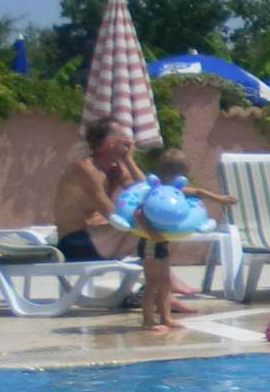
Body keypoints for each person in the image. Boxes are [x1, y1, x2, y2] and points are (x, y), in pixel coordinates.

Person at [132, 150, 233, 332]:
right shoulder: (154, 192)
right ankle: (148, 321)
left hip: (162, 242)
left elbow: (197, 192)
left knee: (165, 282)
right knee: (152, 283)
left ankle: (166, 318)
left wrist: (219, 199)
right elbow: (138, 213)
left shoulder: (174, 191)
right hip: (149, 243)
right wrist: (151, 233)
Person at [53, 119, 140, 264]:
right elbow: (110, 214)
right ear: (110, 143)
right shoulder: (85, 169)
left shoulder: (115, 169)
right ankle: (157, 272)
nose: (129, 141)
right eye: (124, 136)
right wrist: (140, 218)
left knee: (148, 217)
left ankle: (158, 273)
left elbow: (146, 191)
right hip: (74, 243)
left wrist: (129, 160)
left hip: (98, 240)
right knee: (144, 219)